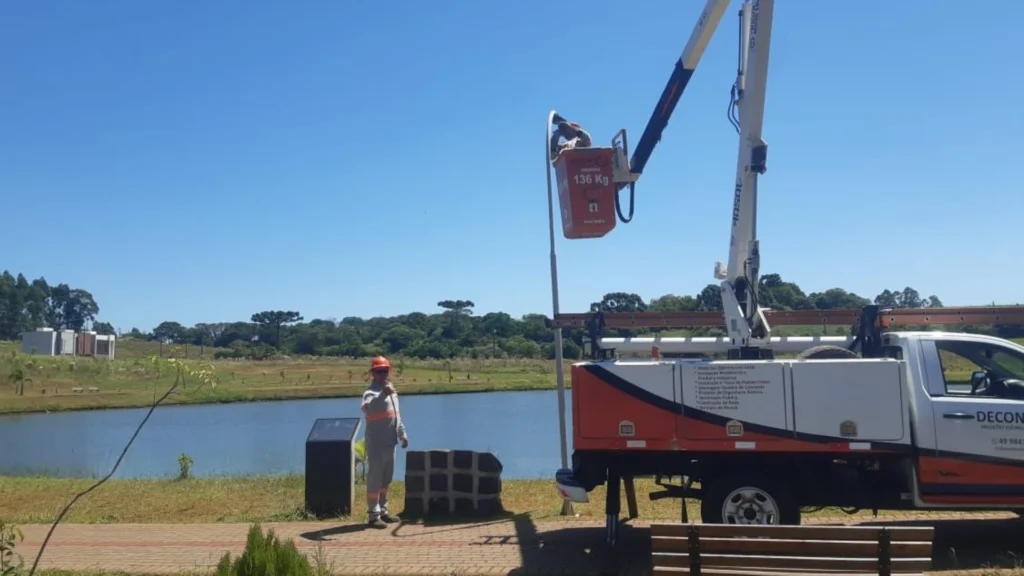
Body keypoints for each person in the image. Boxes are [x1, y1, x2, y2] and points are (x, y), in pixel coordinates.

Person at [360, 355, 409, 529]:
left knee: (386, 479)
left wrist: (402, 434)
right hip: (376, 444)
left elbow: (395, 415)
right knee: (375, 479)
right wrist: (383, 394)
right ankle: (373, 515)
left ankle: (383, 511)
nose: (383, 374)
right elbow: (368, 407)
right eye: (379, 371)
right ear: (373, 373)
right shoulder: (371, 392)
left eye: (385, 371)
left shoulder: (391, 391)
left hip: (390, 443)